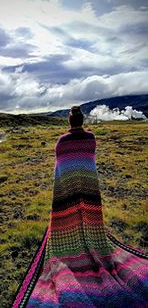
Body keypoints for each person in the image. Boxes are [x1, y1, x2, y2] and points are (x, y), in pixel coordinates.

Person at [12, 106, 148, 308]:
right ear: (82, 120)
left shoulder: (62, 141)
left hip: (68, 188)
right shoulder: (91, 138)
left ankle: (74, 238)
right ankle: (89, 239)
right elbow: (88, 161)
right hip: (88, 187)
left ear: (69, 121)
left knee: (70, 215)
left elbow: (60, 167)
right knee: (87, 215)